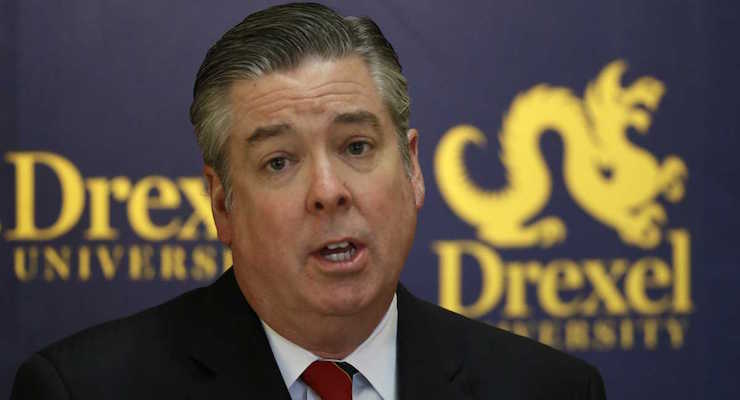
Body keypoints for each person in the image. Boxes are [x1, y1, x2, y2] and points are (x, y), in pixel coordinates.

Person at [11, 3, 606, 399]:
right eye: (279, 161)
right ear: (222, 205)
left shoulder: (547, 389)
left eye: (356, 146)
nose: (328, 192)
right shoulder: (86, 390)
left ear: (413, 169)